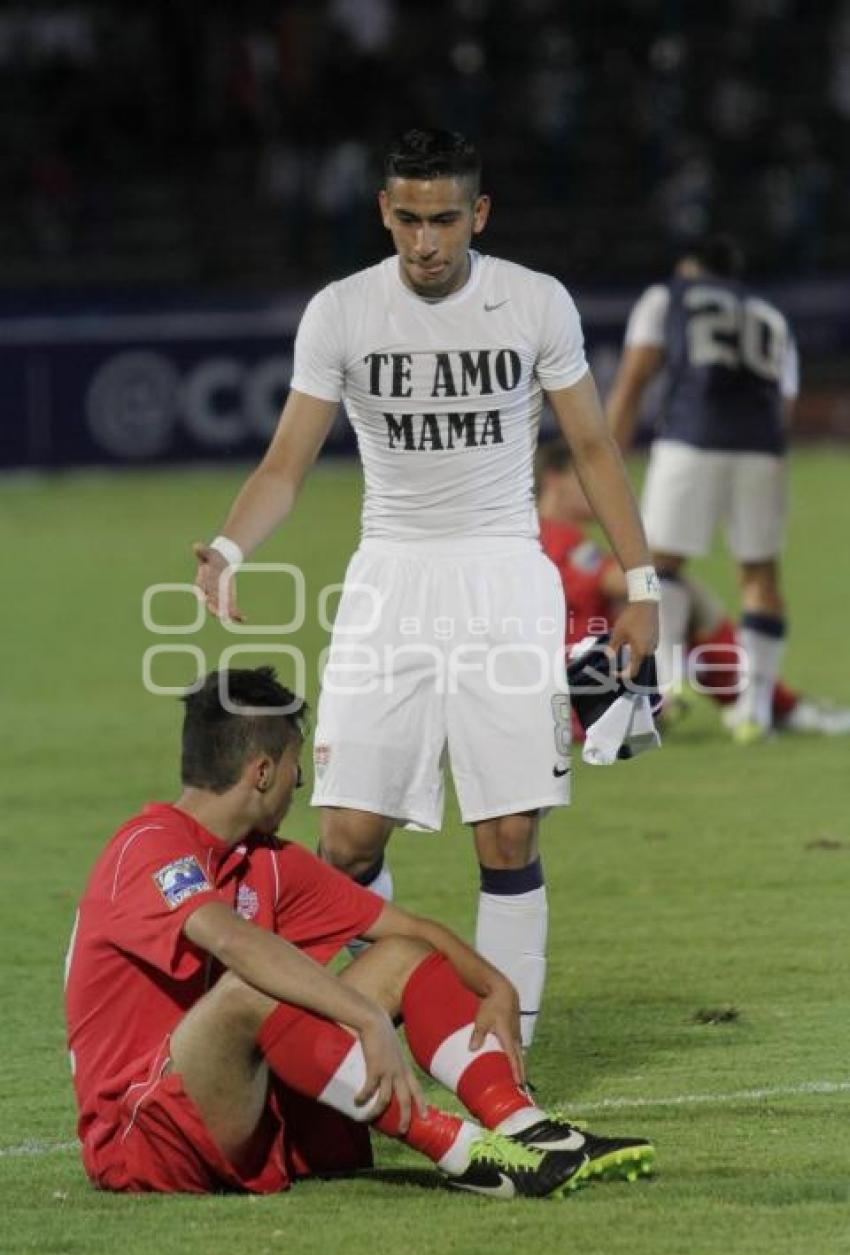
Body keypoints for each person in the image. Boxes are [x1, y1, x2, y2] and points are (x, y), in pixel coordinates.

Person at [193, 128, 659, 1051]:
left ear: (478, 213)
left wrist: (641, 585)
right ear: (384, 212)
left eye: (445, 219)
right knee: (350, 839)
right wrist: (226, 546)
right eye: (407, 219)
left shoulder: (534, 302)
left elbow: (595, 447)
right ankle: (368, 1014)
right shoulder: (342, 312)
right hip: (390, 578)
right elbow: (286, 462)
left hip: (502, 571)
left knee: (508, 836)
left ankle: (505, 1050)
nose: (426, 242)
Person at [64, 666, 654, 1199]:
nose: (301, 783)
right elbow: (234, 943)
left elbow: (413, 931)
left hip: (240, 1106)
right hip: (143, 1134)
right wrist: (366, 1018)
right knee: (256, 984)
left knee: (399, 956)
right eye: (296, 762)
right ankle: (468, 1155)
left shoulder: (267, 860)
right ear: (262, 771)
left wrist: (495, 984)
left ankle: (527, 1129)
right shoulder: (147, 846)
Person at [605, 234, 796, 743]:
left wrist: (602, 462)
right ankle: (754, 710)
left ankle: (667, 685)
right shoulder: (770, 314)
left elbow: (635, 378)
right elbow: (786, 401)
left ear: (689, 267)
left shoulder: (668, 296)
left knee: (662, 564)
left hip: (691, 437)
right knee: (759, 575)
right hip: (763, 447)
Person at [536, 439, 850, 735]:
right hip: (584, 704)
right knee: (673, 594)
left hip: (555, 696)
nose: (600, 490)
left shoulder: (536, 538)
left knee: (667, 600)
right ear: (555, 481)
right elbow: (632, 583)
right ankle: (767, 705)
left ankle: (751, 701)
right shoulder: (561, 541)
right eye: (586, 479)